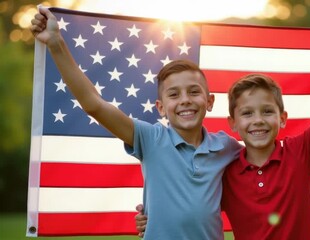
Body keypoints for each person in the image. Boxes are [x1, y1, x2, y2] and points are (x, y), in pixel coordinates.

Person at [136, 28, 310, 239]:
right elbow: (193, 206)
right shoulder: (227, 171)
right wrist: (151, 219)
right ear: (232, 123)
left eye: (267, 111)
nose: (258, 121)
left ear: (282, 118)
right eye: (247, 114)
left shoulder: (299, 151)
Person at [30, 7, 242, 240]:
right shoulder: (150, 138)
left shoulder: (226, 148)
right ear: (160, 107)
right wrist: (56, 43)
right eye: (173, 95)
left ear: (209, 101)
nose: (185, 100)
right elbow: (94, 105)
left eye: (194, 92)